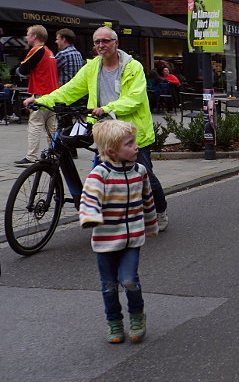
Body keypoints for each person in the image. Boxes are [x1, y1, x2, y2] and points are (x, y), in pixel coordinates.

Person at [27, 27, 170, 231]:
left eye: (105, 41)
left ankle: (160, 210)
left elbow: (135, 98)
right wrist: (42, 100)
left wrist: (107, 108)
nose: (101, 45)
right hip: (104, 130)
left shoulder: (132, 67)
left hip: (131, 131)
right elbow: (70, 90)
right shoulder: (92, 68)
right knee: (100, 173)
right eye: (97, 42)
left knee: (144, 174)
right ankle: (105, 211)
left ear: (116, 43)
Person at [80, 120, 158, 343]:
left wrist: (151, 225)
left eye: (134, 142)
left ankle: (137, 315)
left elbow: (147, 200)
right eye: (129, 143)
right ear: (112, 151)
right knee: (109, 286)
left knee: (130, 280)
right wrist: (90, 217)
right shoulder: (99, 174)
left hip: (133, 238)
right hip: (105, 240)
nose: (136, 147)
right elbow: (89, 199)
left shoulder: (140, 171)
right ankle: (114, 322)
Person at [13, 25, 59, 166]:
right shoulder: (49, 51)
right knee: (50, 127)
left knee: (35, 125)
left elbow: (22, 69)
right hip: (52, 95)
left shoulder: (36, 50)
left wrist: (19, 70)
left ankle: (31, 157)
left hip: (42, 95)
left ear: (34, 36)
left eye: (28, 34)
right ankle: (54, 154)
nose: (26, 37)